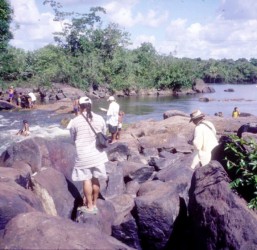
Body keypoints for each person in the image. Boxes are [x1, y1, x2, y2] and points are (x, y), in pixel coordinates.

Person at [69, 96, 108, 214]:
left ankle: (90, 207)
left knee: (86, 179)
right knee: (95, 179)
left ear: (80, 107)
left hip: (83, 155)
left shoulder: (75, 121)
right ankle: (95, 203)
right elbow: (103, 133)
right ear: (91, 105)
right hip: (98, 155)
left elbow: (73, 138)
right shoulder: (100, 118)